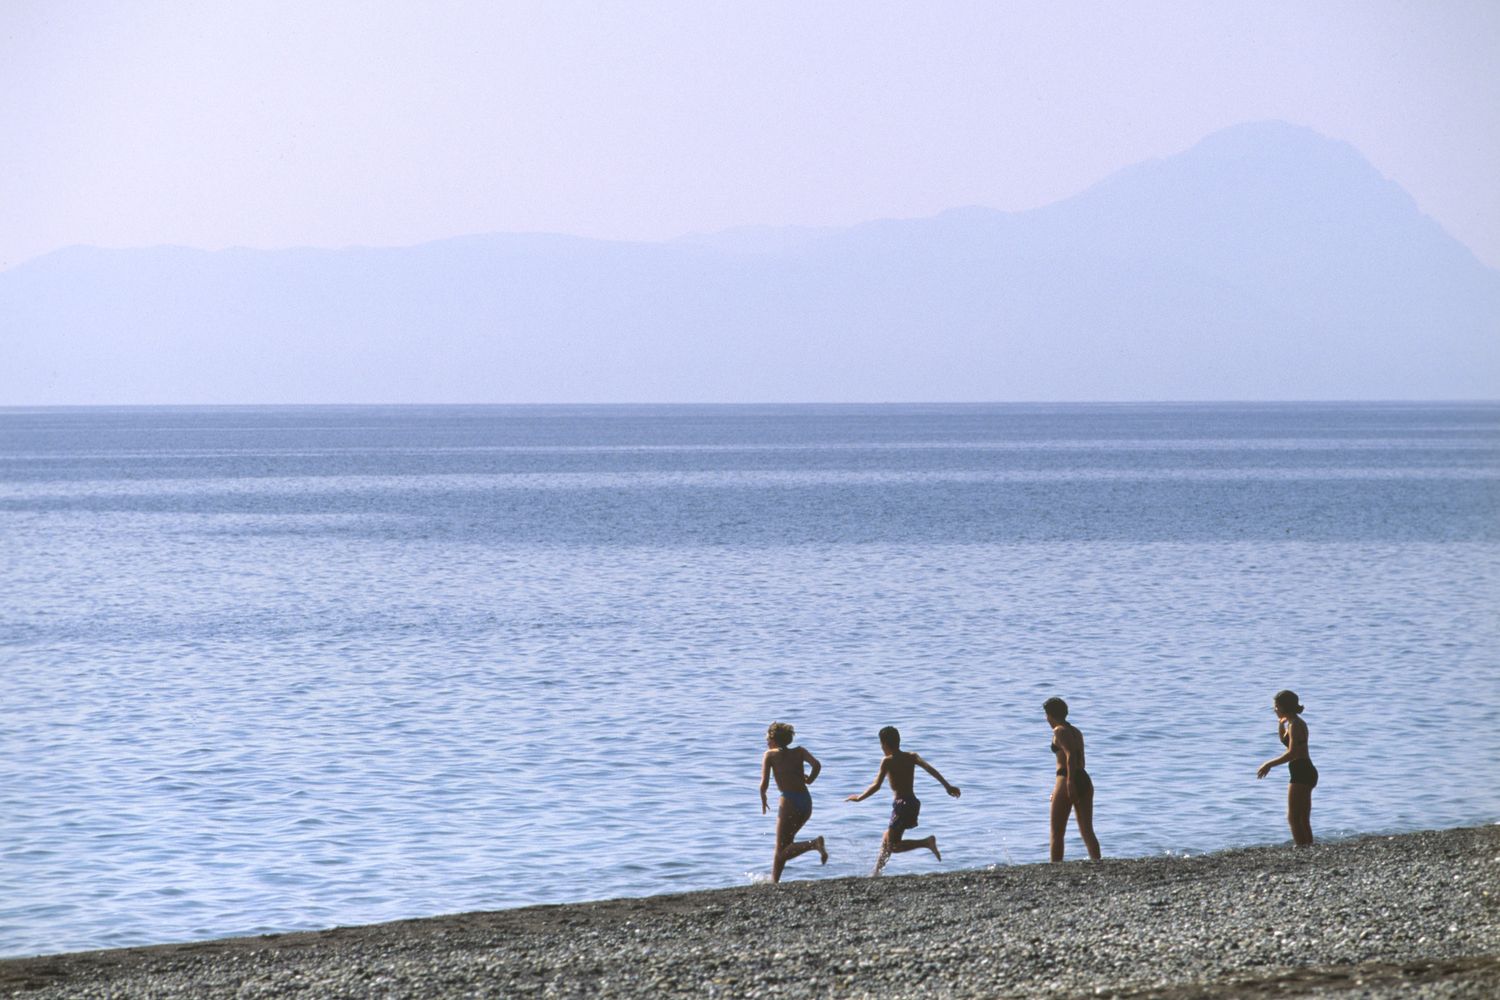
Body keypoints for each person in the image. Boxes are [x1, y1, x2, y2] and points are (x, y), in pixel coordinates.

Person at [845, 725, 960, 875]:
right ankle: (876, 873)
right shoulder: (911, 756)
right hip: (913, 803)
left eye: (881, 744)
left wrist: (860, 798)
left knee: (893, 846)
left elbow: (876, 785)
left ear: (884, 744)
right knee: (887, 838)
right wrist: (947, 786)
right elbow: (930, 769)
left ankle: (926, 842)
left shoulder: (887, 761)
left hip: (902, 805)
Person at [759, 721, 827, 882]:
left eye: (768, 739)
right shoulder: (800, 751)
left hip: (789, 801)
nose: (766, 742)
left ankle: (814, 844)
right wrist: (809, 780)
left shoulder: (769, 755)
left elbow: (764, 783)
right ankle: (774, 881)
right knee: (785, 846)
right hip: (806, 801)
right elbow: (816, 765)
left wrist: (763, 797)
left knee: (781, 850)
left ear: (774, 739)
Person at [1257, 689, 1317, 846]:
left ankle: (1301, 847)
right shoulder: (1294, 723)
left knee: (1293, 817)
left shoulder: (1295, 725)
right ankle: (1308, 847)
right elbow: (1285, 741)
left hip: (1301, 771)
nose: (1274, 709)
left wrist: (1268, 764)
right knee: (1303, 817)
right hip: (1306, 770)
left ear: (1284, 707)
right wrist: (1280, 724)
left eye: (1276, 706)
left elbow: (1292, 753)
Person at [1045, 697, 1101, 862]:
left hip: (1067, 778)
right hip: (1083, 778)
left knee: (1057, 832)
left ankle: (1055, 867)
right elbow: (1081, 761)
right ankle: (1097, 862)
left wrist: (1068, 785)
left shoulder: (1059, 731)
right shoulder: (1076, 731)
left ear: (1050, 715)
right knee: (1087, 830)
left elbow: (1069, 756)